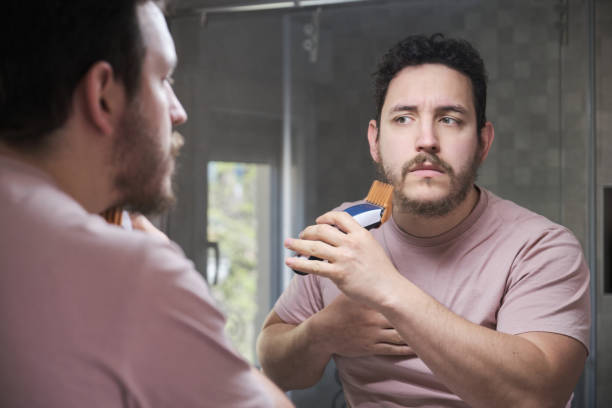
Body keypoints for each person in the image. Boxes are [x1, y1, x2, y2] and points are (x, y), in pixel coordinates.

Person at [257, 34, 590, 408]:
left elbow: (538, 397)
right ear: (375, 141)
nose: (427, 140)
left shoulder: (541, 248)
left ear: (483, 142)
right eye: (403, 118)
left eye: (449, 119)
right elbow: (275, 365)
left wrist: (385, 286)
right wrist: (322, 334)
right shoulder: (348, 230)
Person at [0, 1, 292, 407]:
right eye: (163, 78)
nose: (179, 112)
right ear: (103, 95)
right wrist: (160, 262)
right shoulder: (130, 273)